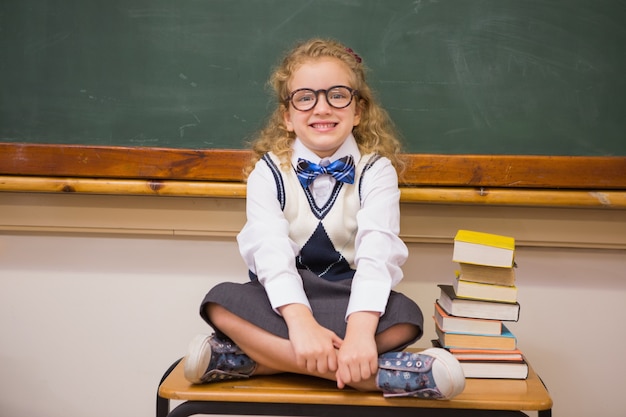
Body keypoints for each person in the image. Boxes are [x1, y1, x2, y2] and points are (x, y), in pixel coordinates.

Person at [183, 38, 465, 399]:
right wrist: (300, 323)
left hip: (348, 301)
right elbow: (269, 252)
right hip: (282, 303)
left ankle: (245, 360)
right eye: (305, 97)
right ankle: (389, 376)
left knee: (405, 316)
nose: (322, 108)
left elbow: (378, 254)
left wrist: (362, 333)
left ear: (358, 110)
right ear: (287, 116)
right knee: (220, 302)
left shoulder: (375, 171)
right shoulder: (267, 173)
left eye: (337, 95)